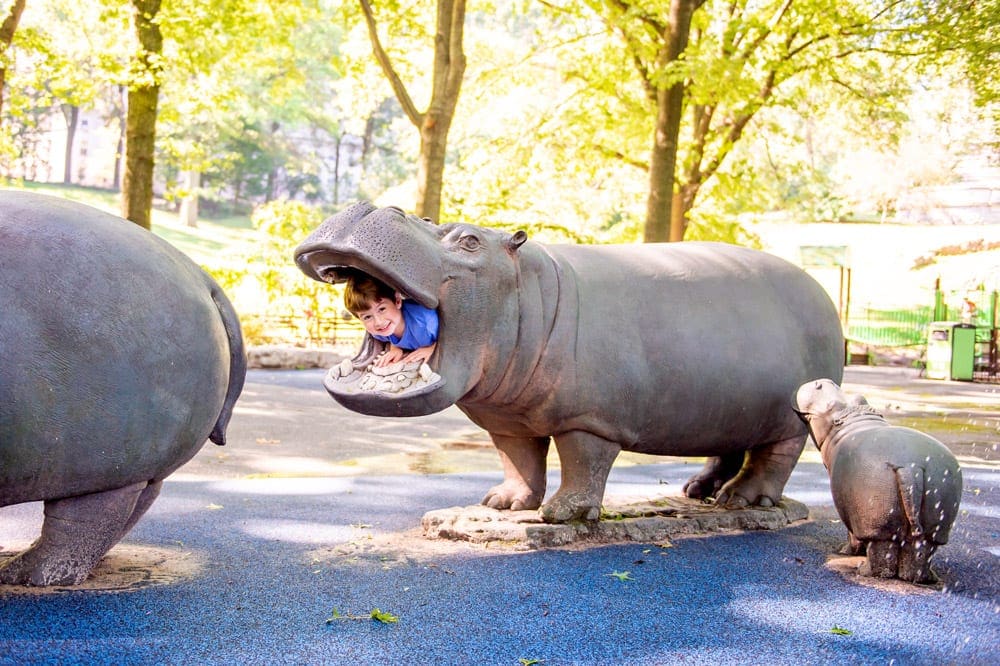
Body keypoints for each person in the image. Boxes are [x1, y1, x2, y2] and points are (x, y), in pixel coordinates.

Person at [344, 274, 438, 367]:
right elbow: (391, 337)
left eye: (382, 309)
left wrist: (433, 349)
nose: (378, 322)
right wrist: (395, 348)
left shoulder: (425, 323)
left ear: (397, 301)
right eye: (367, 317)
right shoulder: (378, 333)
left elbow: (452, 335)